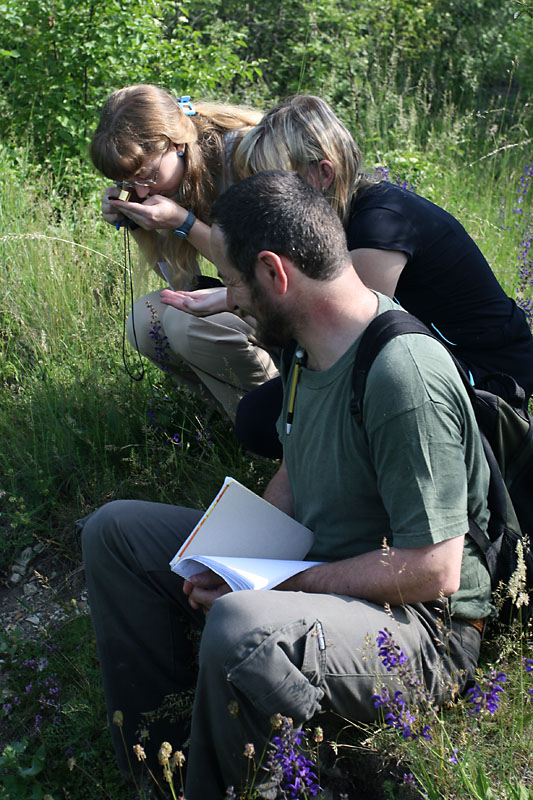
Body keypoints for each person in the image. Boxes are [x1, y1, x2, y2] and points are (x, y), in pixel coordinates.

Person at [80, 170, 493, 799]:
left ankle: (222, 788)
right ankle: (161, 764)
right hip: (331, 570)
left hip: (422, 632)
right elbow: (298, 470)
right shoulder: (308, 344)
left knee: (244, 625)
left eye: (237, 283)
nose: (233, 299)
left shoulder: (403, 374)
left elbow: (433, 571)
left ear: (276, 273)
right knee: (117, 533)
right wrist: (234, 559)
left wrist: (275, 584)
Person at [226, 94, 533, 456]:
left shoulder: (379, 226)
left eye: (276, 184)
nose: (263, 201)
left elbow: (346, 342)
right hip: (425, 358)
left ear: (323, 174)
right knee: (260, 417)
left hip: (484, 374)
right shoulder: (336, 217)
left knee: (271, 419)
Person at [90, 84, 278, 420]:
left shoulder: (243, 156)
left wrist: (184, 223)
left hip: (284, 295)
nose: (142, 190)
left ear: (176, 143)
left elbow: (264, 273)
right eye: (128, 183)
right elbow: (181, 282)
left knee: (185, 324)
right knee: (146, 320)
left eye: (145, 175)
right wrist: (138, 222)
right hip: (248, 295)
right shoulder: (171, 177)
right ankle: (239, 419)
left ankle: (286, 424)